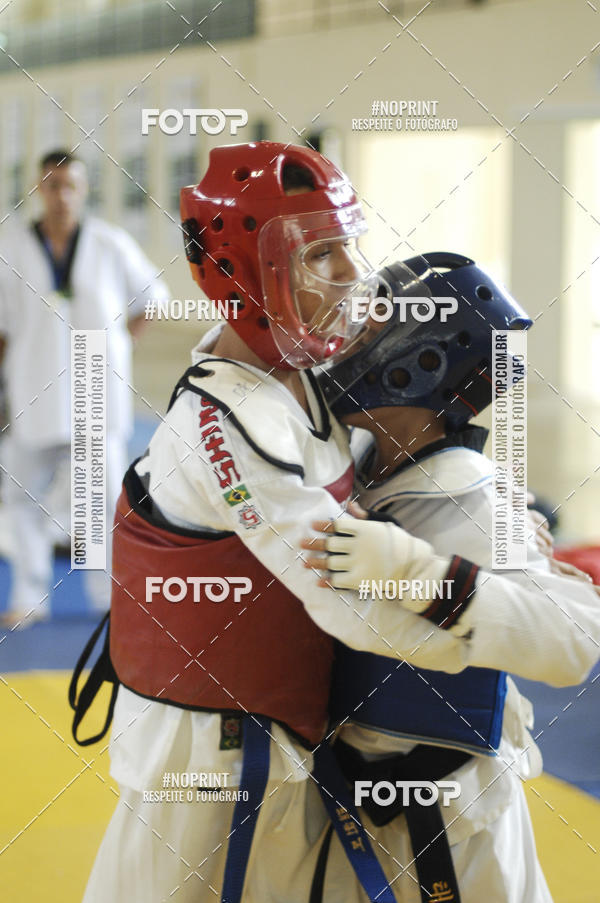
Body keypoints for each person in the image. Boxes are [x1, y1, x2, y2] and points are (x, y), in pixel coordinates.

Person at [301, 252, 600, 902]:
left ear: (418, 362)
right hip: (352, 791)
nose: (348, 342)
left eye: (370, 329)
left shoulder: (481, 506)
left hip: (452, 821)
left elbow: (579, 641)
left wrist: (428, 578)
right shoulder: (360, 457)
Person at [0, 149, 169, 626]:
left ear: (83, 190)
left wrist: (119, 346)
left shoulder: (109, 243)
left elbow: (153, 300)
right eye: (51, 186)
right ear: (38, 190)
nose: (60, 196)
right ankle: (29, 597)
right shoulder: (11, 247)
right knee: (21, 499)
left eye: (69, 186)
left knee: (100, 506)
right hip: (31, 391)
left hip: (97, 391)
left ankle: (110, 600)